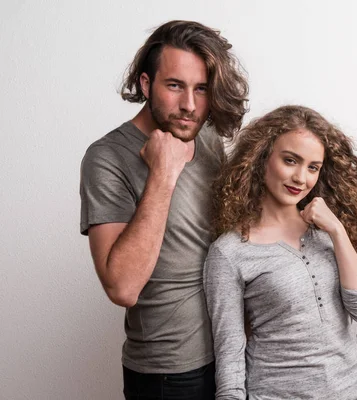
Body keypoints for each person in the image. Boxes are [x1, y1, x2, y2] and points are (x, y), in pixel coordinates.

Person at [79, 20, 248, 399]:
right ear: (145, 84)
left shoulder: (205, 136)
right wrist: (162, 175)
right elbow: (122, 287)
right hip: (168, 373)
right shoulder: (107, 157)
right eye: (174, 86)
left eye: (201, 89)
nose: (190, 105)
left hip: (228, 353)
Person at [203, 105, 357, 400]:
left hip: (353, 392)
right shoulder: (230, 252)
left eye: (313, 167)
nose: (301, 178)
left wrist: (338, 231)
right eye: (291, 161)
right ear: (261, 158)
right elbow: (229, 351)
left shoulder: (328, 234)